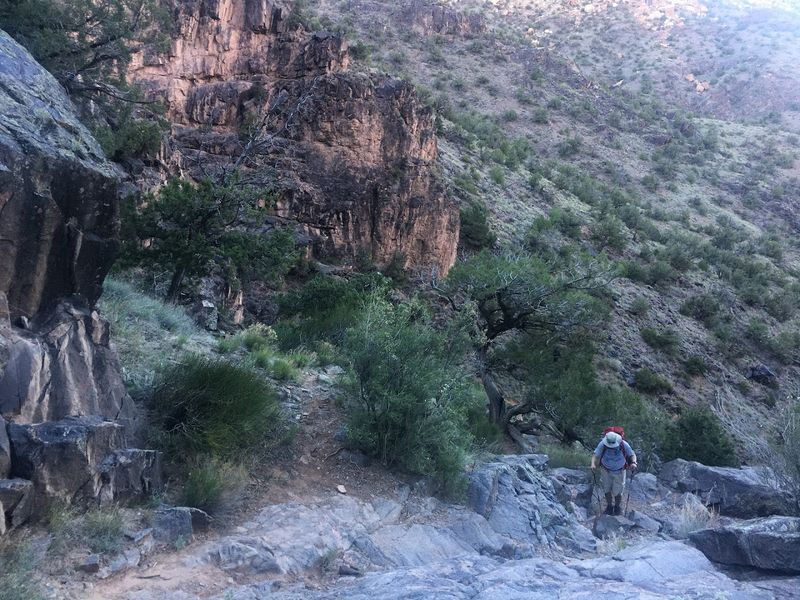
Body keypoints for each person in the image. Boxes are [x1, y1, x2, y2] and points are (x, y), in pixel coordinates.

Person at [591, 430, 637, 515]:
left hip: (619, 471)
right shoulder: (603, 444)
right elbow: (595, 454)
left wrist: (634, 463)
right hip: (606, 470)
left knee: (618, 492)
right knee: (606, 489)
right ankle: (609, 507)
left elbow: (632, 454)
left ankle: (617, 507)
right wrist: (593, 464)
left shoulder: (623, 444)